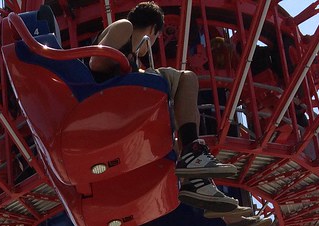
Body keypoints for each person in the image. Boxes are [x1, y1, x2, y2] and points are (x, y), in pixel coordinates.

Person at [88, 3, 242, 213]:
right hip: (105, 106)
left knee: (176, 119)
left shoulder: (132, 56)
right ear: (153, 30)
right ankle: (193, 159)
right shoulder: (124, 27)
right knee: (188, 79)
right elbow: (95, 63)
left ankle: (199, 181)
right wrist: (131, 68)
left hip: (119, 107)